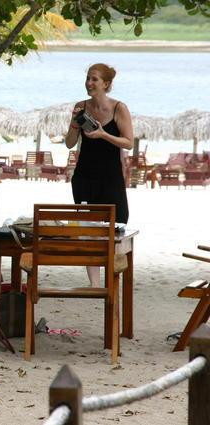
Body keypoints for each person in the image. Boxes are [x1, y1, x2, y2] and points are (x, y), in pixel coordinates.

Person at [65, 63, 134, 287]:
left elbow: (128, 142)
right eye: (88, 78)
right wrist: (75, 125)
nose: (89, 83)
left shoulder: (119, 108)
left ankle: (111, 280)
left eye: (94, 79)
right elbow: (69, 144)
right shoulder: (80, 106)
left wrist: (104, 134)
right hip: (84, 177)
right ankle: (95, 285)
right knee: (88, 231)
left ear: (106, 84)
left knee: (116, 226)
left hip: (111, 177)